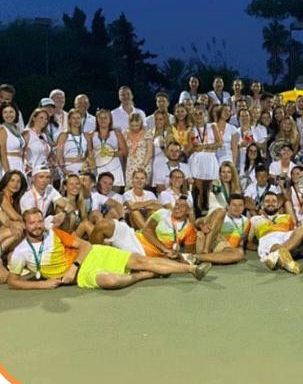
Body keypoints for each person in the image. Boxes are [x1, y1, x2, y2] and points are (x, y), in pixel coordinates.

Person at [7, 208, 211, 290]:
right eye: (32, 223)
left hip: (92, 255)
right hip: (82, 275)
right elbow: (12, 281)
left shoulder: (54, 233)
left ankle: (191, 269)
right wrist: (42, 285)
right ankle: (144, 275)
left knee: (140, 260)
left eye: (39, 221)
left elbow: (85, 245)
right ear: (25, 225)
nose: (37, 226)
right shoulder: (21, 252)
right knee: (110, 281)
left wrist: (73, 267)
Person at [248, 192, 303, 274]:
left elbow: (294, 236)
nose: (270, 203)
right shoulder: (255, 219)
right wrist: (259, 248)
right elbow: (249, 242)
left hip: (284, 236)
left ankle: (276, 256)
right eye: (267, 201)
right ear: (262, 204)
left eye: (274, 201)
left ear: (278, 204)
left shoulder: (287, 217)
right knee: (276, 245)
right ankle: (287, 262)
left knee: (302, 229)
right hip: (267, 237)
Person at [189, 108, 222, 214]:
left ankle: (208, 209)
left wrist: (205, 146)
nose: (198, 116)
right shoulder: (191, 130)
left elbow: (219, 143)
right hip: (197, 160)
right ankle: (197, 211)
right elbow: (189, 149)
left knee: (208, 187)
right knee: (198, 187)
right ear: (192, 116)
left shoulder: (212, 126)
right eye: (195, 114)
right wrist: (195, 148)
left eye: (200, 113)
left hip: (210, 159)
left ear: (205, 115)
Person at [88, 109, 127, 190]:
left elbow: (124, 151)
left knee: (115, 195)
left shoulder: (116, 133)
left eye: (105, 118)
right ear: (97, 120)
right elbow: (89, 152)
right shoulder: (91, 134)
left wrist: (111, 154)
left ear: (110, 119)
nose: (103, 120)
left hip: (114, 168)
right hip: (98, 169)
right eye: (100, 118)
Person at [55, 109, 88, 178]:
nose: (76, 120)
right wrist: (64, 170)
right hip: (68, 168)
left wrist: (86, 164)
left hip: (82, 170)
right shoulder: (64, 135)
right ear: (69, 120)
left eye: (78, 118)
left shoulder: (85, 136)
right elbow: (58, 155)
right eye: (73, 118)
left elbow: (88, 153)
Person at [123, 113, 154, 188]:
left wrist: (143, 166)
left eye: (137, 125)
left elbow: (149, 152)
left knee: (142, 186)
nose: (134, 128)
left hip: (144, 163)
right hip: (131, 164)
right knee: (131, 186)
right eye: (132, 125)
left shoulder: (147, 133)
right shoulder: (125, 133)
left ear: (141, 124)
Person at [23, 108, 52, 177]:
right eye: (41, 118)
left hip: (44, 172)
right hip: (31, 173)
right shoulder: (27, 134)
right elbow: (22, 153)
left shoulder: (44, 135)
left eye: (46, 119)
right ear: (34, 118)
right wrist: (27, 166)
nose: (44, 120)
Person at [0, 103, 25, 177]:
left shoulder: (16, 128)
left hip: (19, 163)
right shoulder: (3, 130)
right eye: (5, 112)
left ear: (16, 113)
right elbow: (2, 153)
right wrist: (8, 173)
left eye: (11, 112)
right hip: (10, 163)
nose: (8, 115)